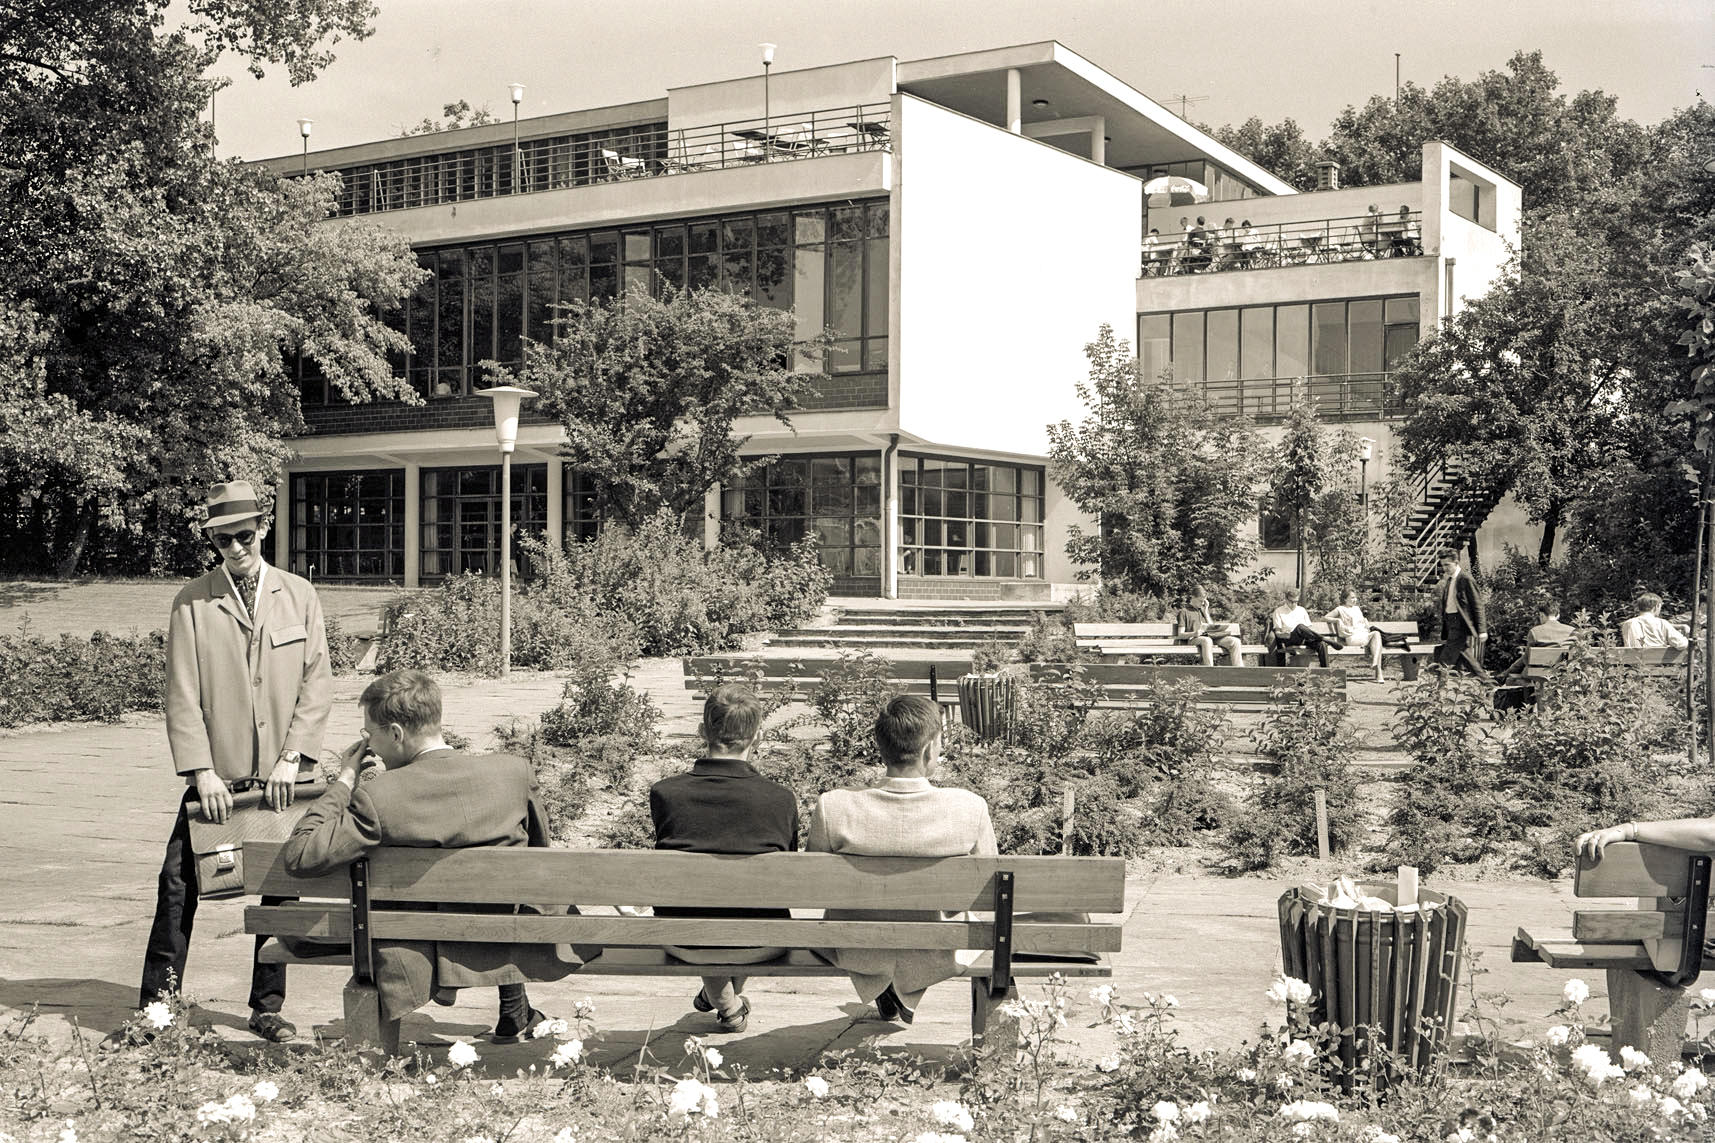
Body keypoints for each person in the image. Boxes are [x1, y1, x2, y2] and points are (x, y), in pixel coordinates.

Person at [128, 480, 332, 1045]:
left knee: (281, 895)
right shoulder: (191, 601)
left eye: (244, 535)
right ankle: (156, 1009)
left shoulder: (300, 595)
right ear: (212, 540)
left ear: (264, 528)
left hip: (283, 781)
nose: (235, 548)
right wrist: (201, 772)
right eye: (223, 539)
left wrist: (294, 757)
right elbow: (182, 692)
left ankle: (267, 1007)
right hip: (217, 776)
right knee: (177, 888)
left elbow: (317, 683)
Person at [284, 670, 579, 1042]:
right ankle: (515, 1007)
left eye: (368, 734)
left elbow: (299, 856)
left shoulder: (379, 797)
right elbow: (538, 854)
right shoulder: (512, 773)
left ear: (395, 733)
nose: (369, 746)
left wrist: (345, 779)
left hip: (416, 947)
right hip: (504, 934)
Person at [807, 695, 998, 1025]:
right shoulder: (969, 807)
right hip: (937, 949)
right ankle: (903, 986)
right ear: (928, 750)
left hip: (857, 946)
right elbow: (989, 887)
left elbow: (812, 884)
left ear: (881, 747)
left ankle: (888, 982)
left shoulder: (834, 807)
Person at [650, 684, 800, 1034]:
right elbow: (785, 877)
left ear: (703, 731)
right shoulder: (779, 799)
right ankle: (727, 1005)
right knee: (748, 907)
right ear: (758, 737)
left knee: (704, 912)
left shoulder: (666, 794)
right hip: (761, 941)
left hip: (684, 938)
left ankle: (724, 1002)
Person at [1433, 552, 1489, 678]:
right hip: (1451, 623)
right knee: (1467, 657)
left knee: (1445, 659)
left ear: (1456, 562)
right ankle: (1489, 684)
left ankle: (1436, 693)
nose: (1445, 568)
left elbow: (1478, 605)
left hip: (1460, 624)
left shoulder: (1466, 579)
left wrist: (1482, 630)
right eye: (1443, 565)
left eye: (1447, 565)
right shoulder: (1450, 580)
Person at [1264, 587, 1340, 668]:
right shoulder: (1279, 611)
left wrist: (1312, 637)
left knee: (1321, 644)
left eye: (1296, 602)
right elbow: (1278, 633)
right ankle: (1324, 638)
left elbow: (1308, 629)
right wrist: (1284, 634)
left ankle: (1326, 671)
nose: (1293, 604)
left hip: (1304, 639)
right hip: (1289, 639)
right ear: (1286, 599)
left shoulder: (1302, 610)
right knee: (1300, 627)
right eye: (1291, 601)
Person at [1324, 589, 1384, 682]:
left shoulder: (1357, 609)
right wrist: (1337, 620)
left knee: (1377, 635)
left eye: (1355, 597)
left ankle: (1376, 665)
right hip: (1352, 637)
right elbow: (1325, 617)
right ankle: (1378, 670)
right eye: (1352, 598)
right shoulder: (1340, 609)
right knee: (1376, 638)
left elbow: (1360, 623)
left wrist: (1365, 622)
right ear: (1345, 599)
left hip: (1363, 635)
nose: (1354, 599)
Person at [1175, 586, 1243, 667]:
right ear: (1193, 597)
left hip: (1211, 637)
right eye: (1200, 601)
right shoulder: (1184, 612)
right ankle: (1210, 671)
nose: (1202, 603)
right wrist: (1194, 633)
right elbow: (1180, 634)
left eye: (1204, 601)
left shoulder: (1202, 610)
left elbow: (1211, 627)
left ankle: (1239, 670)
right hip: (1194, 639)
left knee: (1235, 642)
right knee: (1207, 641)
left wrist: (1206, 612)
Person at [1621, 592, 1690, 649]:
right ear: (1656, 606)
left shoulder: (1628, 623)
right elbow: (1682, 644)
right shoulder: (1662, 623)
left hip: (1635, 663)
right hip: (1659, 664)